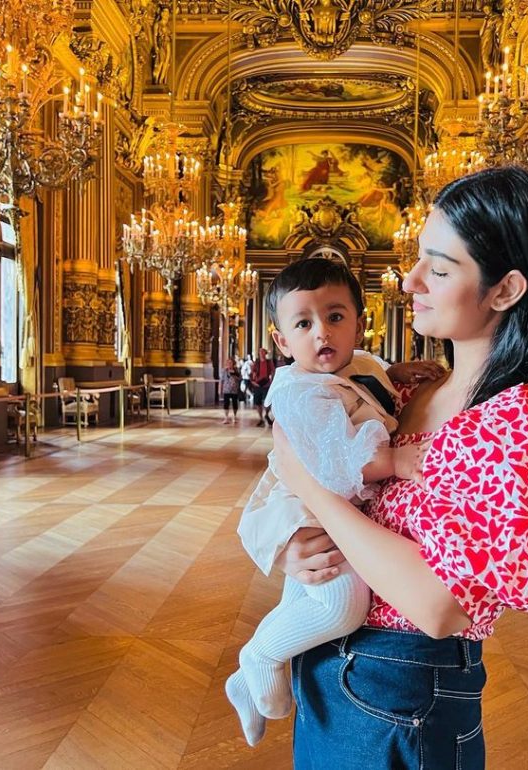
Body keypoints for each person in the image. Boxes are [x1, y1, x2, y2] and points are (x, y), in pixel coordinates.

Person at [270, 166, 528, 768]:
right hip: (331, 661)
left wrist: (313, 489)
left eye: (438, 266)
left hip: (405, 690)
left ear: (505, 290)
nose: (409, 282)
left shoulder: (524, 415)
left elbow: (437, 606)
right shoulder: (415, 390)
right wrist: (298, 544)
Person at [226, 257, 441, 746]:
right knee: (342, 605)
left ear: (360, 324)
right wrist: (398, 464)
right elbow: (337, 462)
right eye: (303, 324)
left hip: (331, 503)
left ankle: (248, 680)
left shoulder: (357, 363)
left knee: (308, 589)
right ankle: (260, 656)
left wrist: (399, 372)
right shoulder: (303, 392)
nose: (321, 332)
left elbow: (370, 376)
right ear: (283, 342)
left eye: (335, 317)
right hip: (306, 505)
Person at [249, 348, 276, 427]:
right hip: (258, 384)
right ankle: (260, 418)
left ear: (265, 353)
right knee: (257, 402)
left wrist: (272, 381)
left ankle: (266, 414)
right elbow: (252, 372)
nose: (261, 353)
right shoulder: (256, 362)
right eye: (260, 352)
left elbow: (273, 371)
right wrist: (253, 381)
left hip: (266, 384)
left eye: (263, 352)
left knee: (268, 402)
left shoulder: (269, 362)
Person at [220, 358, 242, 425]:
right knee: (226, 404)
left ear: (233, 363)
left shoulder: (237, 370)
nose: (229, 364)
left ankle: (235, 417)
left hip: (234, 390)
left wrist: (235, 375)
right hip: (226, 389)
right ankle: (226, 417)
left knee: (235, 403)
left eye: (231, 363)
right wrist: (220, 389)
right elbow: (222, 380)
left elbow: (240, 378)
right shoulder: (224, 371)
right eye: (228, 363)